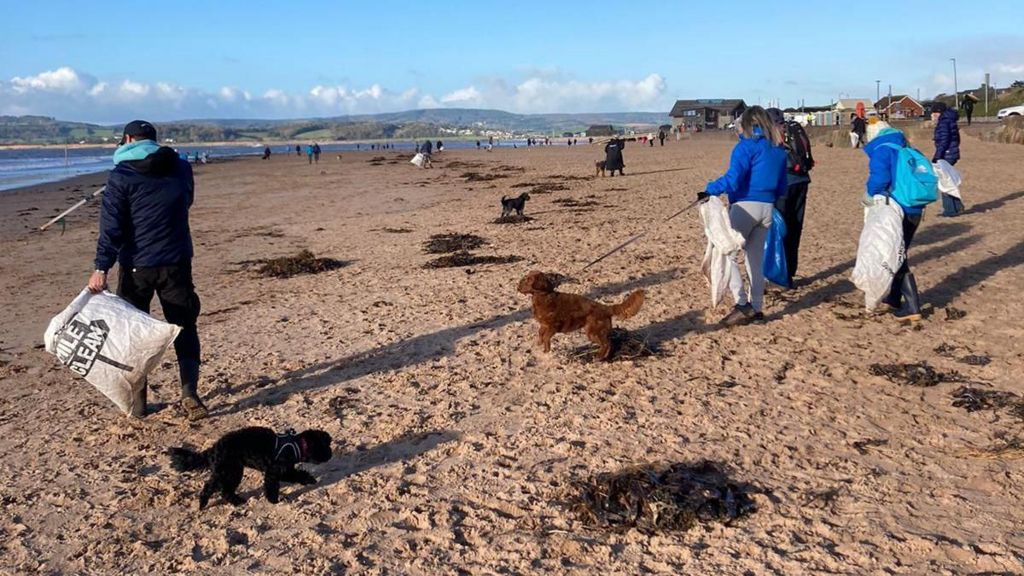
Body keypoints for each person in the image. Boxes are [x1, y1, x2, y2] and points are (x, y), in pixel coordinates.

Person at [88, 120, 209, 420]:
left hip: (137, 265)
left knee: (134, 333)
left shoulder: (121, 175)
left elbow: (111, 227)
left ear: (128, 139)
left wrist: (101, 267)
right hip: (176, 261)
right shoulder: (181, 168)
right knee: (184, 324)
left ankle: (139, 404)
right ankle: (189, 392)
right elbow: (186, 201)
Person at [701, 106, 789, 326]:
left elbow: (733, 179)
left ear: (747, 124)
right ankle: (757, 308)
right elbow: (782, 187)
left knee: (726, 253)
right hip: (767, 209)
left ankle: (741, 303)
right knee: (755, 261)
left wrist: (709, 189)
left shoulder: (745, 147)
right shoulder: (778, 150)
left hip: (745, 207)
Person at [863, 119, 924, 322]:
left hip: (897, 207)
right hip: (915, 206)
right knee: (900, 251)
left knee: (896, 254)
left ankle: (913, 307)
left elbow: (879, 179)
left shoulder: (882, 149)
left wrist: (870, 194)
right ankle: (895, 298)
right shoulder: (905, 145)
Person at [767, 108, 813, 288]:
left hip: (784, 185)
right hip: (802, 181)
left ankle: (780, 277)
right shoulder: (793, 130)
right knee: (795, 227)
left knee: (780, 230)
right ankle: (790, 273)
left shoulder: (771, 136)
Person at [931, 101, 963, 217]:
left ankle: (950, 210)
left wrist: (937, 156)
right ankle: (957, 207)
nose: (933, 115)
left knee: (944, 181)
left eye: (934, 113)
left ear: (938, 112)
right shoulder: (950, 120)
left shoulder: (944, 122)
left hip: (947, 154)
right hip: (951, 152)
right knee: (949, 180)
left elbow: (944, 141)